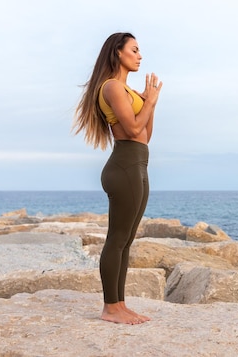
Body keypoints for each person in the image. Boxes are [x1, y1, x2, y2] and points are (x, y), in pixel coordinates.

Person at [73, 32, 162, 324]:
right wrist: (149, 102)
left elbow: (146, 135)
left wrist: (150, 102)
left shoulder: (129, 92)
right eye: (134, 50)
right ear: (118, 53)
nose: (139, 55)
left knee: (126, 241)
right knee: (117, 239)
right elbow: (134, 131)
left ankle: (120, 304)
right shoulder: (112, 87)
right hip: (123, 167)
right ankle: (110, 308)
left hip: (138, 164)